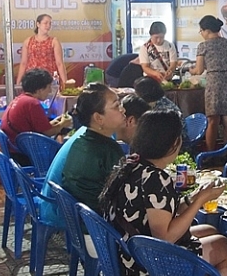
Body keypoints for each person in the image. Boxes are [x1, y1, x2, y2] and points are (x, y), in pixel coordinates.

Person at [100, 109, 227, 276]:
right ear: (174, 143)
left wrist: (192, 198)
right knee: (222, 246)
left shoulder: (132, 164)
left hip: (124, 256)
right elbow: (165, 238)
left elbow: (160, 212)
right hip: (143, 269)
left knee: (210, 230)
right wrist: (200, 201)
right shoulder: (157, 178)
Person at [39, 93, 148, 227]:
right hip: (69, 215)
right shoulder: (105, 146)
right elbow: (125, 197)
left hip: (65, 208)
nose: (122, 110)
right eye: (116, 106)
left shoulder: (90, 134)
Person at [61, 83, 126, 212]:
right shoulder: (109, 150)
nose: (123, 110)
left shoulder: (80, 141)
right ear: (98, 118)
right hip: (100, 221)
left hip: (80, 216)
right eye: (116, 106)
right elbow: (126, 194)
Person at [1, 68, 73, 165]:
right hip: (23, 153)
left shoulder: (20, 99)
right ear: (39, 89)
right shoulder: (32, 103)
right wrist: (63, 124)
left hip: (13, 149)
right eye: (48, 87)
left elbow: (38, 127)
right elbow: (47, 132)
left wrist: (56, 122)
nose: (50, 91)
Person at [191, 15, 227, 150]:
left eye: (201, 31)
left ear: (206, 30)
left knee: (213, 120)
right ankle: (226, 152)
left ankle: (210, 153)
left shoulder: (203, 46)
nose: (201, 34)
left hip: (214, 83)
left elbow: (199, 70)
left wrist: (191, 70)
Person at [134, 76, 192, 151]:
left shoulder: (163, 111)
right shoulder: (157, 103)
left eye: (136, 92)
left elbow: (162, 139)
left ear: (145, 93)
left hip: (175, 149)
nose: (135, 95)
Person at [17, 14, 67, 89]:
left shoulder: (54, 41)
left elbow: (59, 63)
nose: (48, 26)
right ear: (38, 24)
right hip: (32, 80)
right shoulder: (28, 41)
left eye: (50, 23)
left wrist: (65, 82)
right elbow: (23, 63)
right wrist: (18, 82)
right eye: (45, 23)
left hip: (48, 80)